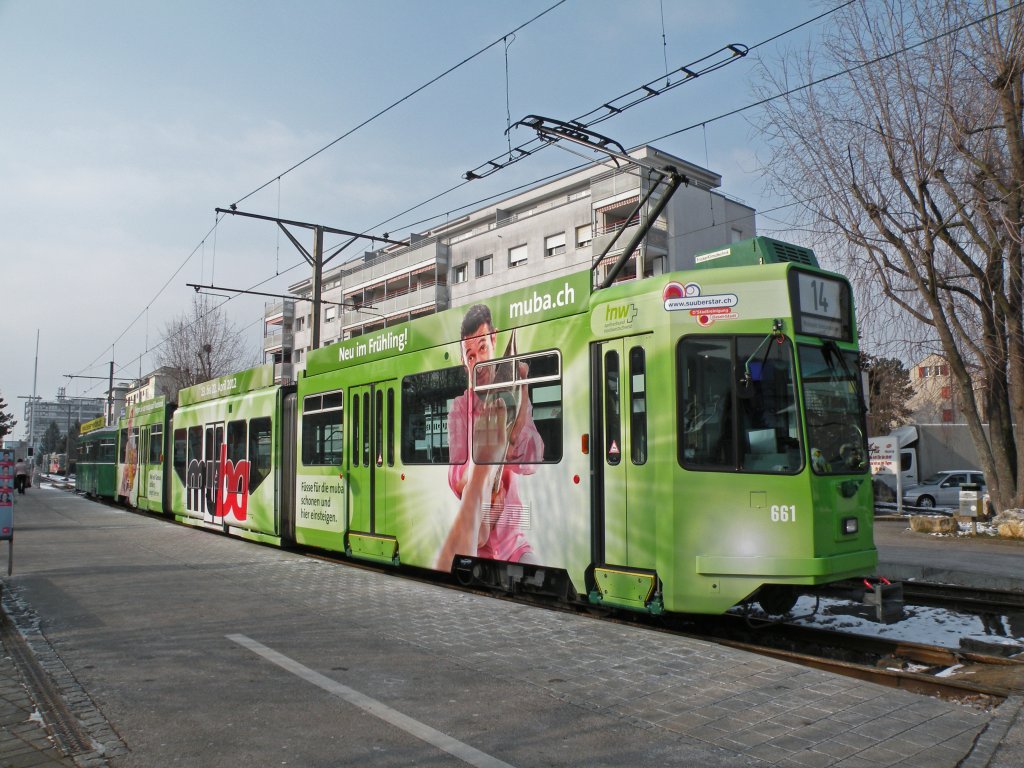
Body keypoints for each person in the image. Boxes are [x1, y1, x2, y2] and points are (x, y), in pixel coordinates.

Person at [436, 304, 544, 569]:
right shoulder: (460, 409)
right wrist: (480, 468)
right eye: (470, 356)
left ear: (494, 338)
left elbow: (532, 462)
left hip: (514, 546)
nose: (478, 362)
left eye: (482, 348)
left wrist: (516, 430)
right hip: (476, 548)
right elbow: (456, 479)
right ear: (463, 361)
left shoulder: (514, 391)